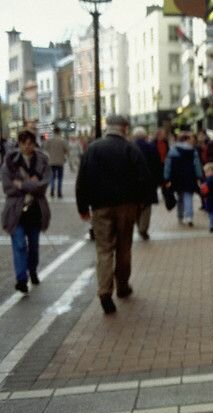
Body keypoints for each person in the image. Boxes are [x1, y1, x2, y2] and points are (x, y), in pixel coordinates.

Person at [75, 114, 151, 314]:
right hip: (127, 206)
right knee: (124, 248)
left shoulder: (93, 149)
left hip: (100, 207)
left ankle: (104, 291)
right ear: (124, 128)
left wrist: (83, 207)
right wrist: (141, 202)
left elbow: (82, 179)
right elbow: (144, 177)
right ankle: (122, 286)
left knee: (104, 249)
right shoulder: (130, 148)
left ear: (108, 127)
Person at [1, 129, 51, 293]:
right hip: (16, 210)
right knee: (20, 245)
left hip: (35, 210)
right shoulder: (10, 161)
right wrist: (31, 184)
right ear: (20, 144)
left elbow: (43, 185)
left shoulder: (42, 160)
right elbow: (8, 187)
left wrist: (22, 185)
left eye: (30, 143)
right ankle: (21, 279)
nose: (27, 146)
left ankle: (33, 270)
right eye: (24, 143)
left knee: (34, 246)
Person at [164, 127, 203, 226]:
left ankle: (180, 216)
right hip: (190, 177)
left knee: (180, 197)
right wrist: (199, 176)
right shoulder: (193, 151)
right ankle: (189, 216)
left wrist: (167, 178)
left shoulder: (172, 151)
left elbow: (167, 165)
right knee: (188, 196)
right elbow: (197, 165)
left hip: (176, 178)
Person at [132, 126, 163, 241]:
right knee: (147, 205)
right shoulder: (151, 147)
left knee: (135, 204)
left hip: (134, 182)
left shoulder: (130, 147)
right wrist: (159, 180)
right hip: (149, 181)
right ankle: (143, 228)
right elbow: (157, 164)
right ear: (145, 136)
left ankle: (139, 224)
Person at [43, 126, 70, 198]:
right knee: (60, 177)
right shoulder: (62, 140)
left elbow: (45, 148)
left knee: (52, 177)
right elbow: (67, 150)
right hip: (60, 161)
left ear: (54, 132)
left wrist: (51, 152)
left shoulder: (49, 140)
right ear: (59, 132)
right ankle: (59, 192)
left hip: (51, 161)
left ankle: (52, 190)